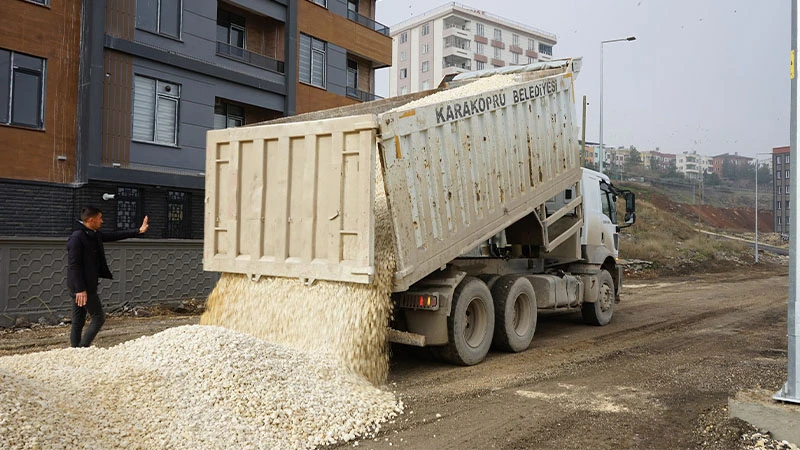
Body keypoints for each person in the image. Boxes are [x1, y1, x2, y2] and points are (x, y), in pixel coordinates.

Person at [66, 206, 149, 347]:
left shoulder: (93, 234)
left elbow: (113, 235)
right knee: (98, 318)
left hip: (84, 285)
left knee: (78, 319)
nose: (102, 221)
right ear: (91, 220)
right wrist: (80, 289)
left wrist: (138, 231)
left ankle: (75, 350)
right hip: (82, 286)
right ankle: (82, 348)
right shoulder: (77, 238)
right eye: (100, 218)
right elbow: (74, 266)